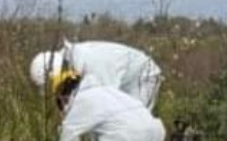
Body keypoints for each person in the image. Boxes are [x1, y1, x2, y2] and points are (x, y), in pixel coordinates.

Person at [45, 66, 171, 141]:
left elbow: (68, 134)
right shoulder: (107, 91)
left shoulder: (81, 99)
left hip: (127, 135)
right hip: (154, 131)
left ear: (63, 95)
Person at [29, 40, 162, 112]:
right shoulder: (69, 63)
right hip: (120, 80)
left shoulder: (94, 65)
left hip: (143, 76)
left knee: (133, 124)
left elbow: (108, 106)